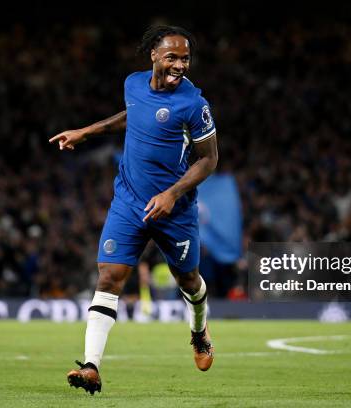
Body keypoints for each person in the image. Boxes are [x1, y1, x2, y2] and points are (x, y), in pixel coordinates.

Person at [49, 25, 218, 395]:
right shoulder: (133, 84)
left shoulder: (194, 104)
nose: (179, 65)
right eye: (172, 57)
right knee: (109, 276)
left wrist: (172, 193)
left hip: (175, 209)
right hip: (129, 201)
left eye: (185, 58)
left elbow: (209, 160)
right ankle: (91, 366)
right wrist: (86, 131)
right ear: (153, 56)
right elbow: (132, 116)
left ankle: (199, 331)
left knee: (189, 282)